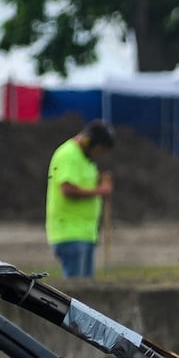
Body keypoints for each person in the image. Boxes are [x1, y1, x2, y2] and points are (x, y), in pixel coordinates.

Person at [45, 119, 114, 279]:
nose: (99, 153)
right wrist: (101, 190)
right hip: (70, 233)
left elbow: (83, 182)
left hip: (85, 233)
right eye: (99, 149)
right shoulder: (69, 155)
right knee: (76, 293)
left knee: (87, 292)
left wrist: (99, 180)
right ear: (89, 141)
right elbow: (67, 189)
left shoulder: (86, 159)